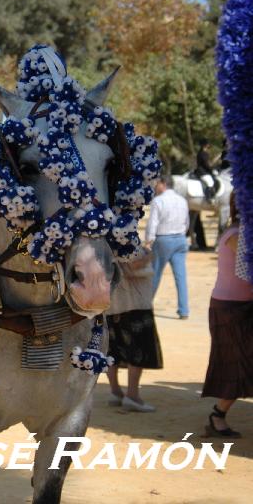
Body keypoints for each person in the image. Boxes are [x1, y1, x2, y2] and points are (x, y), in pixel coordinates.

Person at [202, 193, 252, 438]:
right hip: (231, 309)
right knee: (236, 365)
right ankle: (217, 415)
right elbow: (248, 272)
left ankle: (218, 414)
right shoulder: (236, 235)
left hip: (241, 307)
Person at [106, 247, 163, 412]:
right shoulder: (125, 237)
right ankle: (132, 395)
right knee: (137, 350)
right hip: (135, 304)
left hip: (111, 304)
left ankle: (115, 392)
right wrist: (149, 257)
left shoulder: (100, 239)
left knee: (113, 350)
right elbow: (131, 268)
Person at [146, 176, 190, 319]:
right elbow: (187, 222)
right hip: (180, 239)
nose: (155, 186)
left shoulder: (158, 200)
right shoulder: (182, 200)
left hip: (163, 240)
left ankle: (145, 305)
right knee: (181, 276)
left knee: (155, 274)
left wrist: (148, 240)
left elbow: (153, 223)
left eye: (156, 184)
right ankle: (184, 310)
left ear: (163, 184)